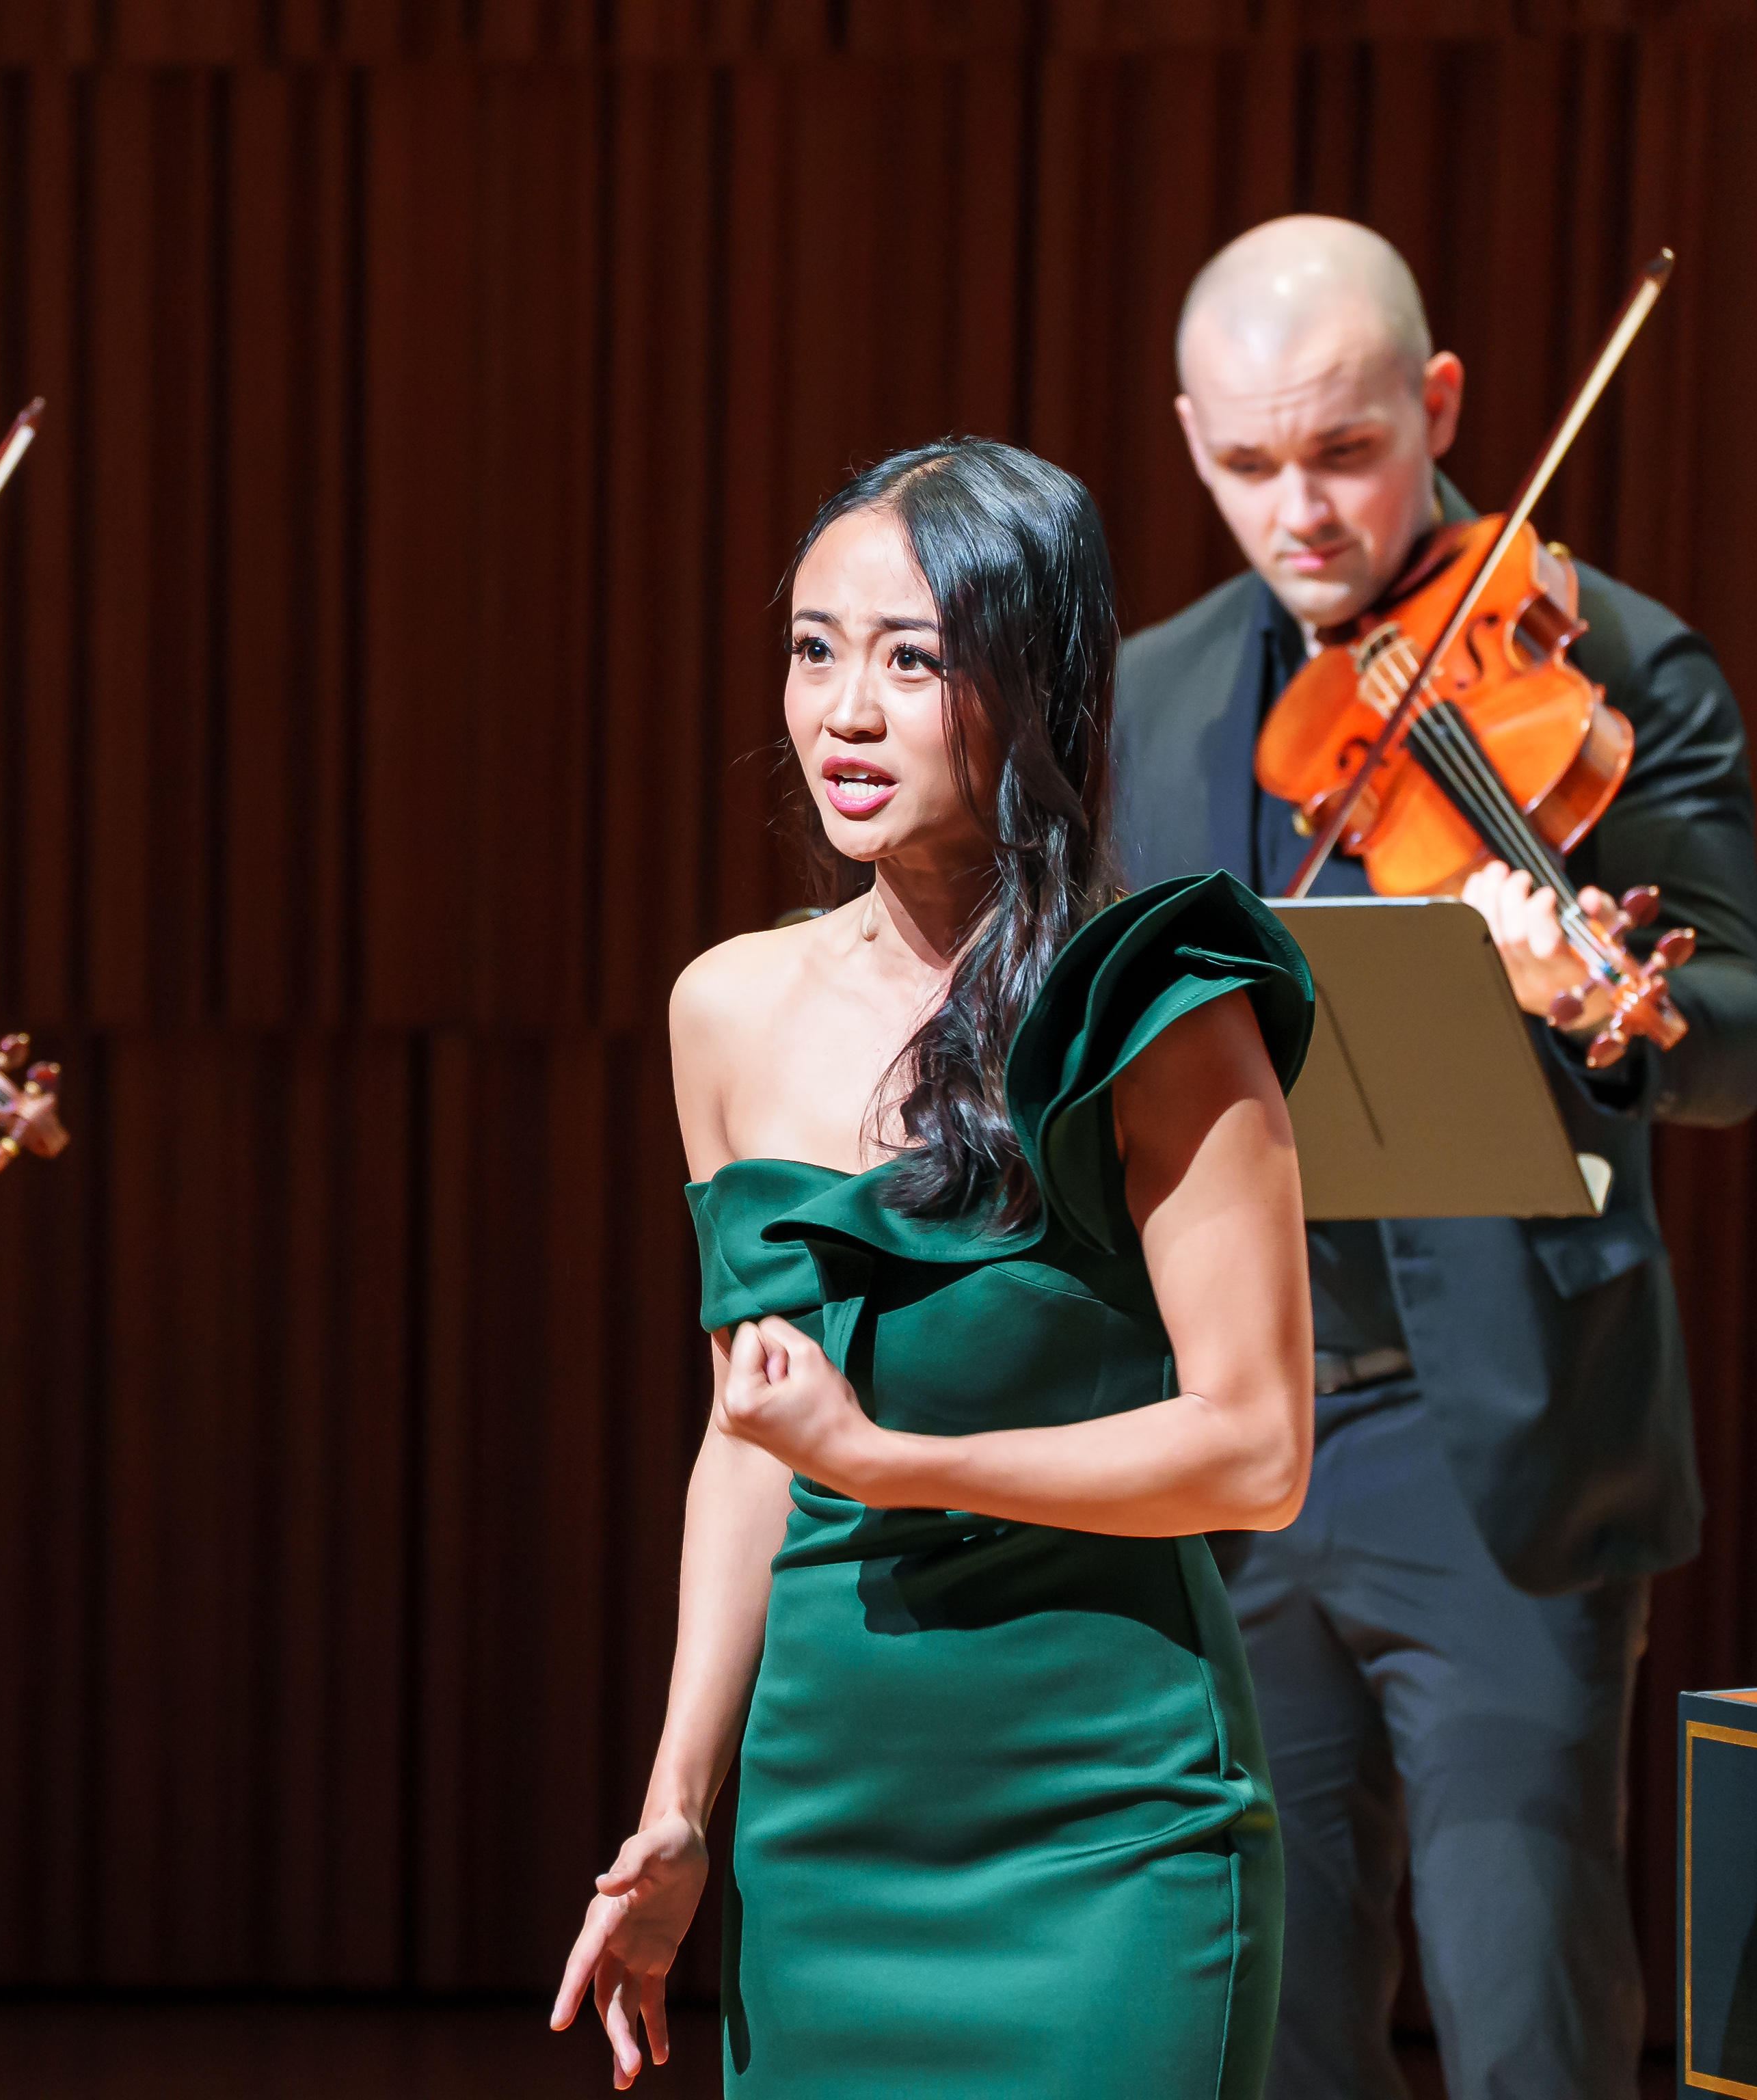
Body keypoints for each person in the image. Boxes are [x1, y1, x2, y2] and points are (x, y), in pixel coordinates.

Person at [552, 440, 1319, 2095]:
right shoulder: (726, 1009)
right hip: (827, 1816)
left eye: (913, 659)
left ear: (1034, 681)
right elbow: (748, 1445)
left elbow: (1257, 1453)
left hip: (1105, 1825)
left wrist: (889, 1464)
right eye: (816, 647)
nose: (843, 709)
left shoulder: (1162, 1003)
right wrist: (679, 1810)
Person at [1116, 217, 1757, 2100]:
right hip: (1232, 1450)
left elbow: (1736, 1030)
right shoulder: (1155, 695)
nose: (1301, 513)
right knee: (1274, 2026)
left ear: (1445, 404)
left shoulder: (1610, 660)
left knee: (1530, 2023)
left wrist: (1606, 1012)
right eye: (1249, 464)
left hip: (1492, 1440)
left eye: (1344, 452)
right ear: (1189, 437)